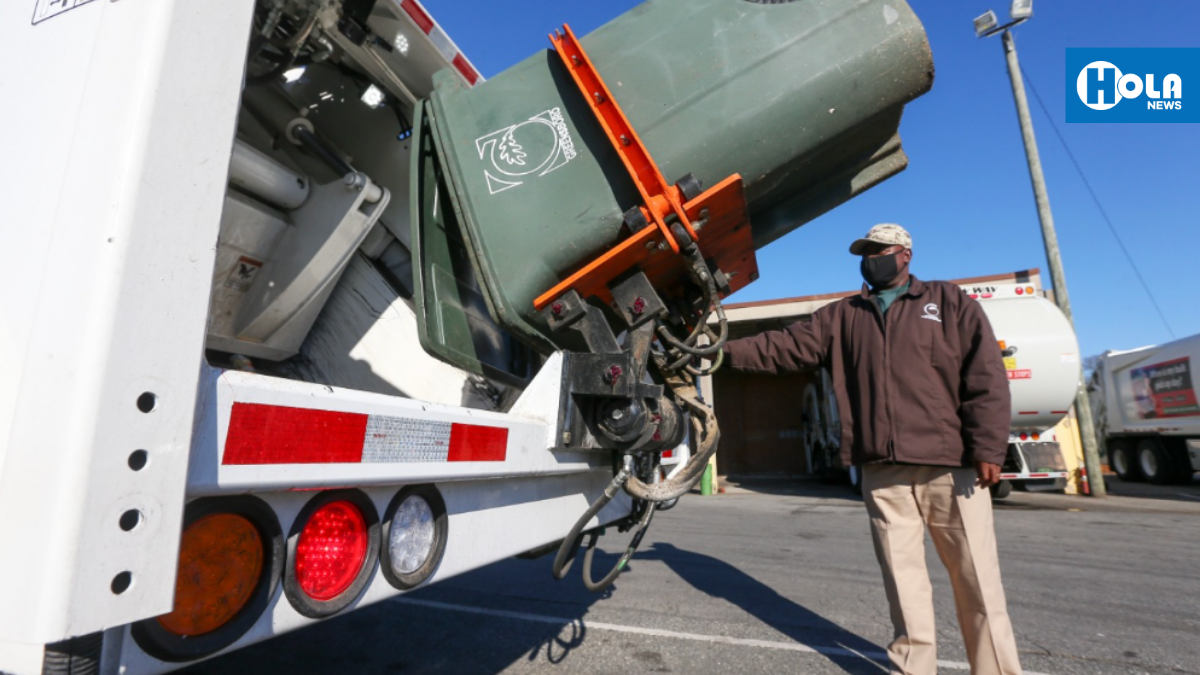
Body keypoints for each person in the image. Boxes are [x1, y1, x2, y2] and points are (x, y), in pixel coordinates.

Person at [722, 223, 1022, 675]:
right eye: (864, 253)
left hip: (950, 467)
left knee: (976, 581)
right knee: (903, 585)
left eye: (878, 251)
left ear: (905, 255)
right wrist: (717, 353)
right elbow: (782, 347)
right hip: (881, 471)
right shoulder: (844, 315)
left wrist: (988, 447)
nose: (870, 258)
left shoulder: (947, 302)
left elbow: (985, 377)